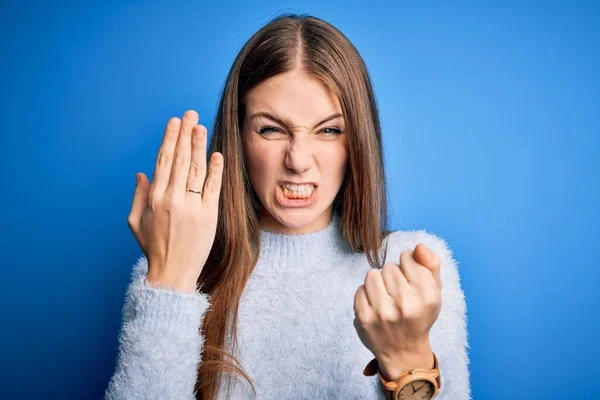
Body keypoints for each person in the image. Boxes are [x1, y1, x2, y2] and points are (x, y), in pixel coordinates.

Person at [104, 13, 470, 400]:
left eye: (329, 130)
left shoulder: (410, 270)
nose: (298, 160)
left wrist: (408, 360)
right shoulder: (175, 267)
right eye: (271, 129)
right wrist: (169, 287)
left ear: (357, 141)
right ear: (239, 137)